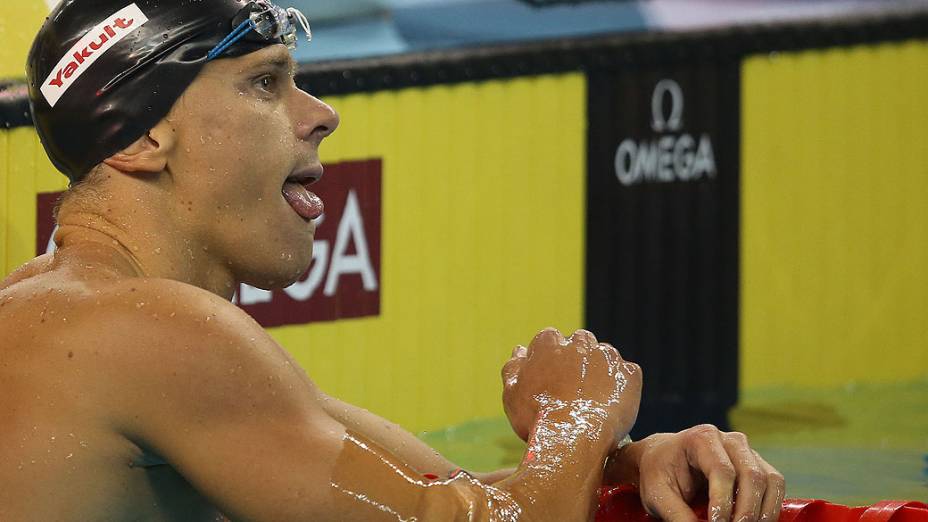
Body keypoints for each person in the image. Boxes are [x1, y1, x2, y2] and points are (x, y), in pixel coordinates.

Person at [0, 0, 784, 520]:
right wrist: (579, 413)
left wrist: (637, 463)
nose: (322, 115)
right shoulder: (147, 330)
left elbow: (444, 499)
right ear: (143, 139)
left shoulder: (86, 316)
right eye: (264, 85)